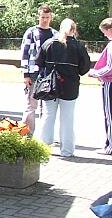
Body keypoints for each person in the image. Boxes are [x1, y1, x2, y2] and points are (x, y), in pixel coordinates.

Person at [34, 18, 91, 158]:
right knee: (67, 119)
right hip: (70, 86)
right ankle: (67, 150)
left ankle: (43, 147)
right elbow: (84, 68)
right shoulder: (78, 46)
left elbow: (39, 61)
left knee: (48, 116)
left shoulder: (49, 43)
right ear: (74, 30)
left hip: (50, 86)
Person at [20, 4, 57, 133]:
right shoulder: (31, 32)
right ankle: (27, 133)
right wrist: (25, 74)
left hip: (49, 74)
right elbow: (24, 53)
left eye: (47, 17)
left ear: (51, 17)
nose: (45, 20)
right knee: (31, 104)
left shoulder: (55, 34)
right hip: (34, 72)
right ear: (38, 17)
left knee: (47, 106)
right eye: (42, 17)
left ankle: (44, 135)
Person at [88, 18, 112, 155]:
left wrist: (94, 73)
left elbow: (110, 68)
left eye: (104, 32)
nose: (104, 34)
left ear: (110, 30)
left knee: (110, 114)